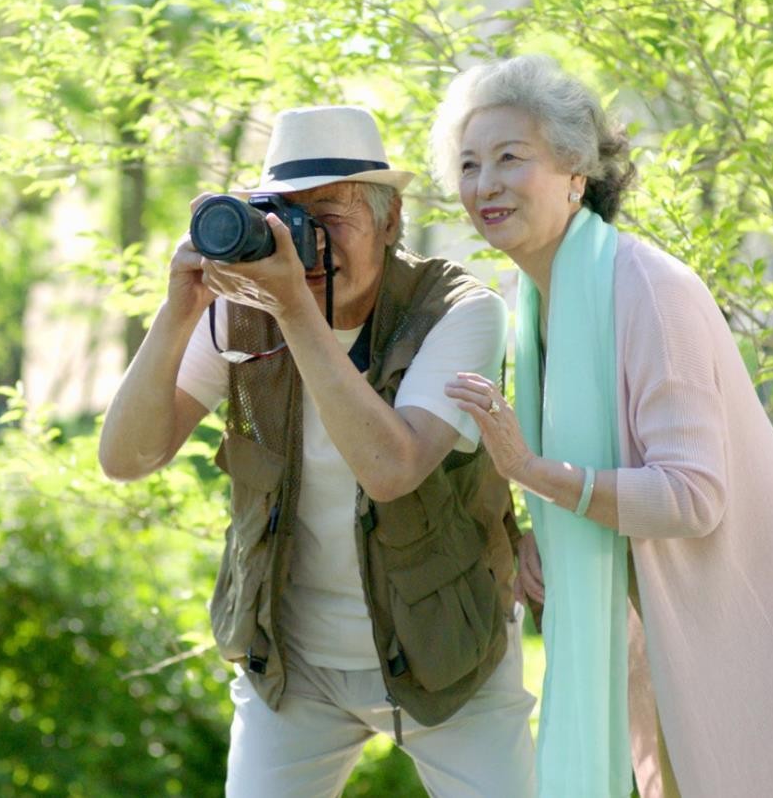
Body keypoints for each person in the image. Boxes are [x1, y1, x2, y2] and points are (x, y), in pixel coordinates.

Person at [435, 55, 773, 798]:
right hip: (656, 612)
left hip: (752, 607)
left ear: (576, 171)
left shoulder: (647, 288)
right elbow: (592, 475)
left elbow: (691, 495)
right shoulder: (535, 304)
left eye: (511, 158)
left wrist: (534, 474)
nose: (485, 184)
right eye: (469, 164)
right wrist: (545, 530)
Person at [99, 105, 536, 798]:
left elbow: (391, 468)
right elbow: (126, 457)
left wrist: (295, 311)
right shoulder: (242, 309)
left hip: (446, 657)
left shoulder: (459, 311)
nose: (304, 243)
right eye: (286, 218)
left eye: (329, 218)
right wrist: (179, 309)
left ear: (390, 220)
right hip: (291, 662)